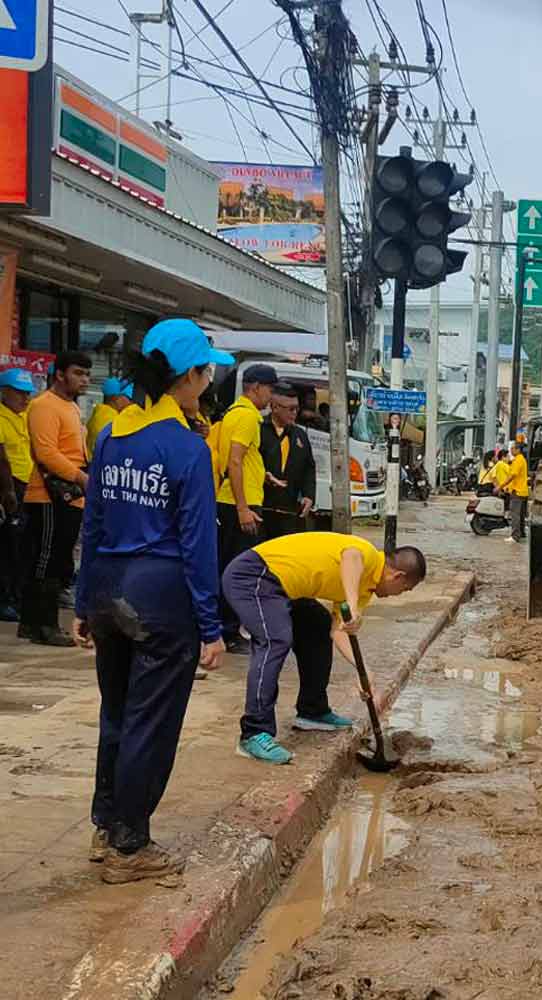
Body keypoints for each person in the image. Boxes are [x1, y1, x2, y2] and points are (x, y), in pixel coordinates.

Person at [74, 319, 230, 884]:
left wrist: (83, 604)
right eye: (207, 371)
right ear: (191, 376)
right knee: (151, 722)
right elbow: (196, 544)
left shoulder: (112, 436)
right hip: (161, 597)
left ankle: (105, 824)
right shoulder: (188, 448)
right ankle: (130, 845)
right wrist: (211, 626)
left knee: (116, 713)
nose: (209, 380)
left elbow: (92, 526)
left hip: (109, 591)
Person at [224, 532, 426, 764]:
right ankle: (253, 733)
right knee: (275, 639)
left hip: (286, 590)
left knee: (318, 624)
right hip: (254, 576)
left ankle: (312, 710)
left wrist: (365, 673)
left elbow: (338, 631)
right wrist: (350, 605)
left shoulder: (364, 592)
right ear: (397, 576)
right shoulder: (367, 554)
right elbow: (351, 557)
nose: (396, 595)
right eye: (404, 590)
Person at [20, 351, 91, 646]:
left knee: (59, 560)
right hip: (47, 496)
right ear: (59, 374)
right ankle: (43, 624)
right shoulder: (43, 406)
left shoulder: (71, 407)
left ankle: (32, 623)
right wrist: (82, 477)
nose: (84, 379)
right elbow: (46, 453)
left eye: (87, 374)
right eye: (77, 373)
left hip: (71, 496)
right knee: (46, 560)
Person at [215, 363, 277, 653]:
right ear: (255, 388)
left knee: (231, 566)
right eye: (270, 389)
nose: (272, 396)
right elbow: (235, 461)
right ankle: (228, 631)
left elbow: (242, 459)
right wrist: (242, 508)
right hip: (238, 503)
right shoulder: (246, 418)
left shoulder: (235, 413)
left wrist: (263, 474)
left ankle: (226, 627)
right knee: (237, 570)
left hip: (236, 499)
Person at [0, 368, 37, 622]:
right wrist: (8, 491)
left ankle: (17, 595)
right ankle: (5, 599)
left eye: (28, 394)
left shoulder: (23, 417)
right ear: (4, 392)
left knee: (23, 546)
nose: (25, 399)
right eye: (19, 393)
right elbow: (1, 459)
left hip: (27, 485)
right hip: (10, 487)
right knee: (8, 547)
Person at [260, 382, 317, 539]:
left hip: (289, 511)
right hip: (261, 508)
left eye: (297, 408)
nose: (295, 413)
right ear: (275, 407)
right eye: (290, 409)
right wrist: (263, 476)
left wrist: (309, 495)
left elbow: (309, 468)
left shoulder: (300, 435)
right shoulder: (258, 429)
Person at [85, 377, 135, 459]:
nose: (131, 403)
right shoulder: (111, 421)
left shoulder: (99, 413)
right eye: (129, 398)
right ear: (115, 398)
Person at [498, 439, 529, 542]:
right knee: (520, 514)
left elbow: (512, 476)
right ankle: (522, 533)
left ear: (518, 449)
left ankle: (515, 536)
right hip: (522, 491)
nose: (510, 451)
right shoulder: (520, 459)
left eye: (512, 449)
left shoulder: (518, 460)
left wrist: (500, 486)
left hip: (517, 491)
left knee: (515, 514)